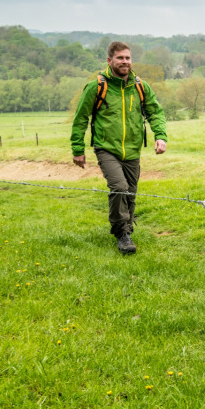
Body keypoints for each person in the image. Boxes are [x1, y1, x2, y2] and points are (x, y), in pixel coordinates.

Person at [70, 41, 167, 254]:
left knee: (130, 193)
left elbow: (156, 112)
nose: (125, 62)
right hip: (106, 148)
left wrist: (160, 136)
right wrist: (78, 149)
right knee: (119, 187)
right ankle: (121, 233)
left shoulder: (140, 86)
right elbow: (80, 118)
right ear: (110, 60)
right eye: (120, 58)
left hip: (132, 149)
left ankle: (127, 229)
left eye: (128, 58)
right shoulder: (97, 86)